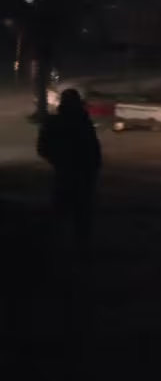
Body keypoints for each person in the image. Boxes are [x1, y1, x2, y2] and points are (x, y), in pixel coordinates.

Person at [36, 89, 102, 258]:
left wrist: (57, 160)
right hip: (82, 175)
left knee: (61, 213)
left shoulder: (55, 122)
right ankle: (80, 250)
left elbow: (42, 148)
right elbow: (94, 151)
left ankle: (57, 250)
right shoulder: (83, 122)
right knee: (81, 215)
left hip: (64, 173)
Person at [9, 0, 57, 122]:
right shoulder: (32, 11)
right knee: (36, 84)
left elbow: (32, 32)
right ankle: (40, 110)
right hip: (35, 52)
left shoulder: (39, 11)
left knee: (38, 83)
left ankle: (42, 112)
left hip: (39, 52)